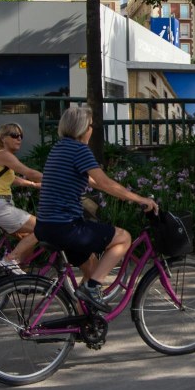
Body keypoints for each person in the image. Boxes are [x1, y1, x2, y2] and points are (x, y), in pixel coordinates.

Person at [34, 106, 158, 312]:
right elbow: (105, 183)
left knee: (91, 267)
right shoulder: (79, 149)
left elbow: (93, 181)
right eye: (90, 126)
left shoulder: (59, 148)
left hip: (46, 226)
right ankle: (93, 289)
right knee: (123, 237)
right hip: (66, 227)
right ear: (82, 128)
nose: (91, 130)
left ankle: (84, 321)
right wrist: (139, 199)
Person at [0, 123, 43, 273]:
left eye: (21, 135)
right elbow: (28, 171)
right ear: (3, 138)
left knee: (27, 236)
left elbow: (12, 179)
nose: (19, 138)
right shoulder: (4, 155)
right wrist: (56, 180)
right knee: (43, 228)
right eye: (14, 135)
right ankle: (9, 260)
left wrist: (33, 185)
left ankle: (20, 277)